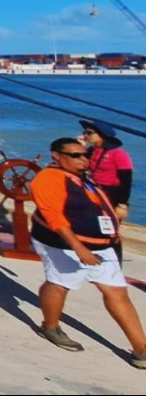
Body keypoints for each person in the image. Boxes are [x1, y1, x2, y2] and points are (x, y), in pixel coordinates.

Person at [32, 137, 146, 367]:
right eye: (76, 155)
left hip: (102, 246)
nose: (83, 160)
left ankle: (141, 349)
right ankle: (50, 326)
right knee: (59, 284)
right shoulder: (48, 179)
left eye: (85, 155)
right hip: (63, 245)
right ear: (57, 156)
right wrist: (79, 249)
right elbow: (55, 218)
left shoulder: (82, 179)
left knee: (117, 293)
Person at [80, 119, 133, 263]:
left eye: (90, 133)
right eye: (86, 132)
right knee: (92, 226)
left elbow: (126, 180)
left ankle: (115, 261)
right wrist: (80, 147)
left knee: (111, 230)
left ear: (101, 135)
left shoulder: (119, 154)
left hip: (111, 194)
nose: (87, 135)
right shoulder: (92, 151)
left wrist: (122, 204)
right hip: (93, 192)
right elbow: (79, 166)